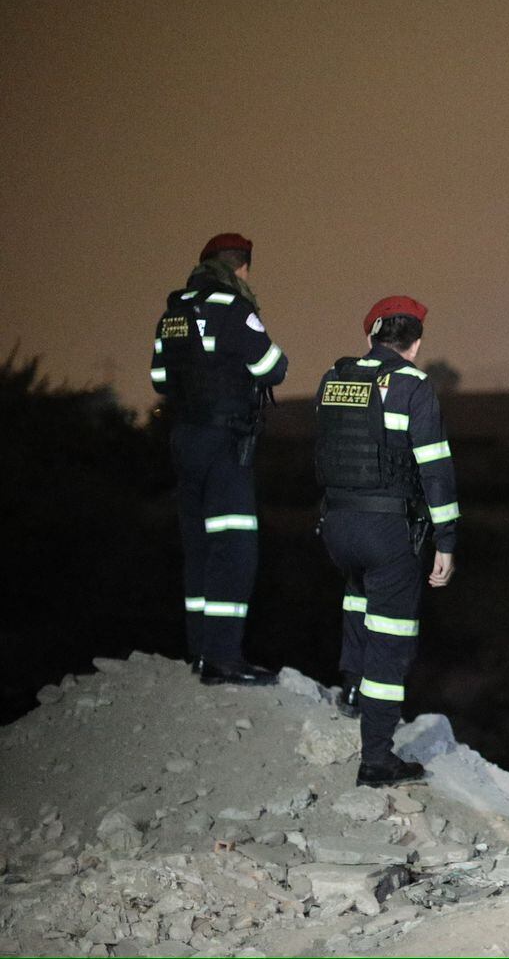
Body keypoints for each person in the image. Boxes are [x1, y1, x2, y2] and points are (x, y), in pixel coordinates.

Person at [314, 296, 459, 788]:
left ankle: (352, 691)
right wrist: (446, 539)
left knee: (357, 598)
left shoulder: (334, 380)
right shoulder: (413, 386)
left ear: (370, 337)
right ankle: (376, 758)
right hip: (387, 530)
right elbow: (435, 468)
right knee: (391, 641)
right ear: (415, 343)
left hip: (336, 524)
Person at [150, 232, 287, 685]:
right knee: (235, 546)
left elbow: (159, 379)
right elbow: (273, 368)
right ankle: (225, 658)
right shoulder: (233, 307)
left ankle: (201, 653)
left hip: (183, 440)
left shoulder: (172, 312)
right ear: (240, 267)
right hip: (224, 441)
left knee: (199, 547)